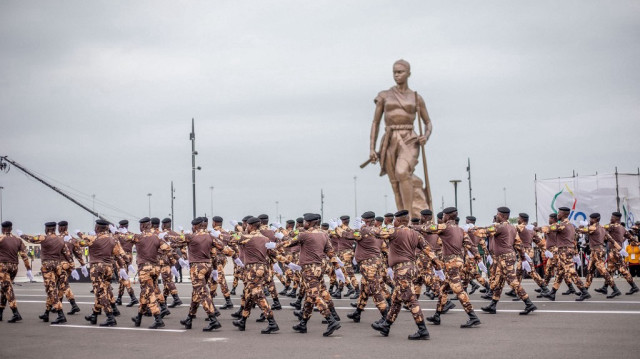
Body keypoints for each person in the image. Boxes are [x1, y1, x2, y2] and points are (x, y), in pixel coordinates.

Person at [369, 59, 432, 217]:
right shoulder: (384, 96)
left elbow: (428, 122)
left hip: (409, 138)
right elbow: (375, 122)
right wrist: (371, 148)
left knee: (402, 171)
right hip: (390, 139)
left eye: (400, 72)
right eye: (394, 72)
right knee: (395, 183)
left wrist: (426, 135)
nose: (396, 75)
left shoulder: (416, 97)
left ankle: (411, 217)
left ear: (408, 73)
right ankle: (402, 217)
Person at [371, 210, 443, 340]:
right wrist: (437, 264)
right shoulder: (415, 233)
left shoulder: (395, 231)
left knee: (411, 300)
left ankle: (422, 329)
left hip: (402, 270)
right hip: (411, 268)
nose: (393, 222)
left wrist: (367, 227)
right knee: (396, 300)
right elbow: (428, 249)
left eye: (394, 220)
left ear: (398, 221)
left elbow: (376, 232)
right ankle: (386, 325)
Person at [279, 213, 343, 337]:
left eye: (304, 222)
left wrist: (274, 245)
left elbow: (289, 243)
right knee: (311, 296)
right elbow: (330, 252)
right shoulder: (323, 234)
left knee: (314, 296)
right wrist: (337, 267)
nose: (303, 223)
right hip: (319, 268)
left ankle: (331, 320)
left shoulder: (305, 235)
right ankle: (303, 323)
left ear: (308, 223)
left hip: (309, 269)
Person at [227, 216, 280, 334]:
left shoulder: (247, 237)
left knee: (258, 295)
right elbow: (273, 253)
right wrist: (287, 262)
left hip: (252, 270)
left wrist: (235, 228)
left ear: (250, 226)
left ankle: (272, 322)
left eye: (247, 226)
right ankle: (243, 320)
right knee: (249, 295)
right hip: (263, 269)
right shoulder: (265, 238)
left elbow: (230, 239)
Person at [481, 207, 537, 314]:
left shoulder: (500, 227)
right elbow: (518, 244)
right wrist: (523, 257)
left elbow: (483, 232)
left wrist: (470, 230)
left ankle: (529, 303)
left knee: (513, 281)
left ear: (503, 216)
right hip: (505, 257)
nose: (496, 216)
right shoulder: (512, 227)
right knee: (499, 282)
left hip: (504, 257)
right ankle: (493, 305)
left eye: (498, 214)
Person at [76, 220, 128, 326]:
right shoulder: (113, 239)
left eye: (96, 226)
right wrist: (122, 268)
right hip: (109, 268)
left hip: (97, 268)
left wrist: (78, 233)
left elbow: (81, 240)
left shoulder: (93, 238)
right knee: (104, 290)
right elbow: (118, 255)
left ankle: (110, 317)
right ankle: (94, 314)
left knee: (100, 292)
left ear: (98, 228)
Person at [20, 222, 73, 324]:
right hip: (58, 266)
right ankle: (47, 313)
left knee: (51, 289)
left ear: (47, 229)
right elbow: (67, 254)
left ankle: (60, 314)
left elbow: (31, 239)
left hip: (47, 266)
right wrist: (71, 267)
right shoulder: (60, 240)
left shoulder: (44, 238)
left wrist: (21, 234)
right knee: (52, 288)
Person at [0, 221, 33, 323]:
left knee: (7, 288)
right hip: (14, 267)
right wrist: (28, 269)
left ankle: (15, 313)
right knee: (5, 288)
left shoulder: (1, 238)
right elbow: (24, 255)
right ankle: (0, 313)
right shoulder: (18, 240)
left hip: (3, 266)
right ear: (11, 228)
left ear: (3, 229)